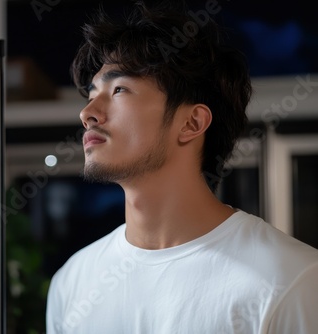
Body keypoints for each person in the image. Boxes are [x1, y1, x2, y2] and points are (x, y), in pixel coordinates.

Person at [46, 1, 318, 333]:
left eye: (119, 90)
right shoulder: (73, 281)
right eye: (91, 94)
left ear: (191, 123)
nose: (87, 113)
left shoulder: (291, 280)